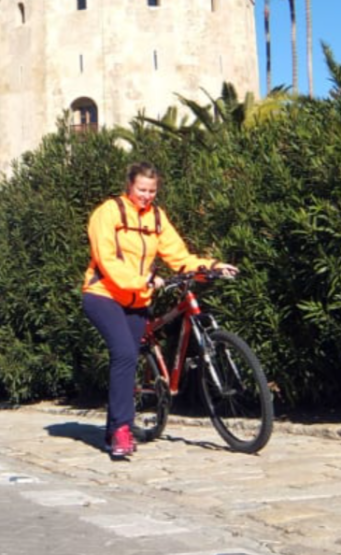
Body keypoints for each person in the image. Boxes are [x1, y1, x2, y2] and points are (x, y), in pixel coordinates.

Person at [82, 161, 238, 458]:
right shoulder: (108, 212)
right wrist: (140, 279)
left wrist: (213, 266)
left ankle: (113, 429)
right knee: (125, 353)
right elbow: (107, 259)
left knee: (130, 357)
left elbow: (178, 255)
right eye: (141, 189)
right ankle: (122, 432)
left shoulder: (156, 217)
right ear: (129, 186)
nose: (147, 195)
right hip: (103, 294)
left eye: (152, 190)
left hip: (139, 299)